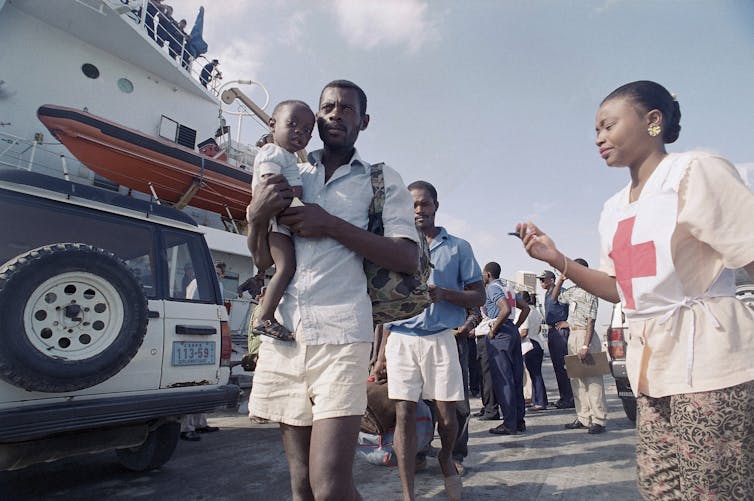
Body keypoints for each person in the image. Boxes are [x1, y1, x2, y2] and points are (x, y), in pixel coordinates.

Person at [517, 80, 754, 499]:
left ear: (652, 121)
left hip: (711, 363)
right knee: (659, 486)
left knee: (712, 488)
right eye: (595, 131)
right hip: (652, 368)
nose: (599, 138)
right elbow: (616, 289)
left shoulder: (694, 172)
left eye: (608, 125)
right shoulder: (614, 208)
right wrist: (557, 259)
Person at [246, 80, 418, 501]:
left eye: (346, 108)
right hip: (286, 334)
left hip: (342, 336)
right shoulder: (290, 170)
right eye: (327, 107)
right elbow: (262, 261)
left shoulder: (379, 179)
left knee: (330, 486)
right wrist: (255, 217)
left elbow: (406, 259)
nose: (335, 114)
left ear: (364, 120)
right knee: (301, 485)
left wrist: (332, 224)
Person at [371, 180, 484, 501]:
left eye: (424, 203)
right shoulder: (396, 247)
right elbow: (387, 308)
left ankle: (446, 455)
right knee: (404, 414)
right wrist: (380, 357)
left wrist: (444, 294)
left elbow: (479, 295)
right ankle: (408, 494)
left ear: (435, 206)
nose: (419, 209)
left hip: (441, 339)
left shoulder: (458, 247)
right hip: (402, 340)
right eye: (413, 205)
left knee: (449, 416)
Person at [250, 100, 315, 342]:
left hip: (279, 217)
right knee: (285, 267)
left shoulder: (287, 156)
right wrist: (301, 211)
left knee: (285, 267)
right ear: (272, 125)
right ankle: (264, 318)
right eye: (293, 124)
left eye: (308, 130)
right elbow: (271, 185)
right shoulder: (272, 152)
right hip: (275, 218)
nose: (300, 131)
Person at [551, 258, 607, 433]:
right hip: (573, 334)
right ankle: (584, 417)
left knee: (593, 380)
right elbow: (555, 298)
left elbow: (591, 320)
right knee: (577, 380)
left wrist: (585, 346)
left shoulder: (591, 291)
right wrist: (560, 279)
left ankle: (599, 419)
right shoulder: (573, 291)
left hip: (585, 336)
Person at [481, 262, 529, 436]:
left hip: (500, 332)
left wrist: (494, 330)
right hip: (511, 331)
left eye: (483, 274)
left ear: (487, 274)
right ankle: (518, 421)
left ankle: (509, 423)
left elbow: (505, 309)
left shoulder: (492, 289)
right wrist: (515, 326)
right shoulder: (507, 287)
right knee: (515, 379)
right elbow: (526, 307)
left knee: (503, 379)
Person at [537, 269, 574, 409]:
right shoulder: (547, 294)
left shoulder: (560, 291)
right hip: (552, 331)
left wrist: (569, 322)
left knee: (564, 366)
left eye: (543, 279)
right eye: (540, 280)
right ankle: (564, 397)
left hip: (560, 332)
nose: (541, 282)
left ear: (552, 280)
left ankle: (569, 398)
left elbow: (576, 307)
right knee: (558, 367)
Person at [518, 291, 548, 411]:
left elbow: (524, 332)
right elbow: (539, 328)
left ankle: (540, 401)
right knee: (536, 374)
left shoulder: (525, 312)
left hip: (528, 345)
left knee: (534, 375)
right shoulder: (535, 311)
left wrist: (514, 339)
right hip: (537, 343)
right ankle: (539, 399)